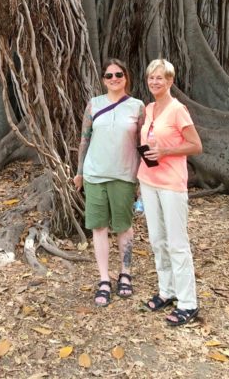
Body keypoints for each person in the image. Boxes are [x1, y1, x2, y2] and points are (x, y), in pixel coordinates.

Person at [73, 59, 144, 307]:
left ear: (126, 77)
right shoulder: (94, 104)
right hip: (94, 175)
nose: (114, 78)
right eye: (109, 75)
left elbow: (143, 144)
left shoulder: (137, 106)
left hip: (124, 175)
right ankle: (104, 279)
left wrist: (142, 178)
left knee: (124, 226)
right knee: (99, 227)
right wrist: (80, 172)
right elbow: (84, 140)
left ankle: (125, 273)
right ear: (103, 79)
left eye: (119, 74)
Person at [138, 59, 202, 326]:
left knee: (177, 243)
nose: (155, 82)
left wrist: (165, 152)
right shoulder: (150, 108)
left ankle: (188, 303)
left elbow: (195, 145)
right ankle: (168, 290)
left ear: (170, 81)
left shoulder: (178, 110)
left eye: (160, 78)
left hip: (172, 184)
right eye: (151, 77)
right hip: (148, 181)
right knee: (157, 240)